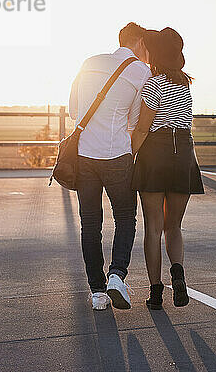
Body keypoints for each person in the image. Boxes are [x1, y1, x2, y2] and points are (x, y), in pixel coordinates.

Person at [68, 22, 151, 310]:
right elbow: (136, 121)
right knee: (126, 217)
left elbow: (74, 111)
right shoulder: (141, 71)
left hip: (84, 155)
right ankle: (117, 276)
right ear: (140, 42)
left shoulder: (89, 63)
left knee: (90, 224)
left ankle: (97, 293)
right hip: (117, 154)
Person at [131, 27, 204, 310]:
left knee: (153, 227)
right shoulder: (184, 83)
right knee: (174, 226)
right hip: (183, 154)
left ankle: (156, 292)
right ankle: (178, 273)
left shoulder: (153, 84)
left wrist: (127, 158)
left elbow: (141, 129)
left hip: (155, 154)